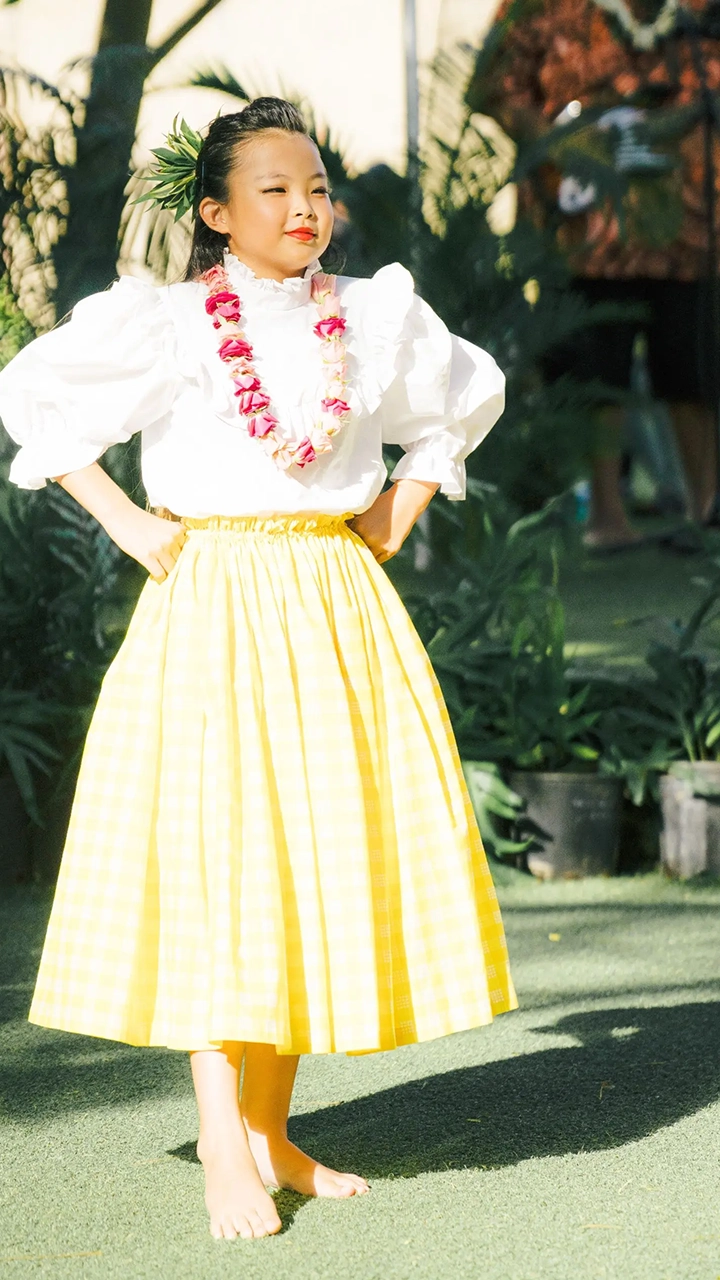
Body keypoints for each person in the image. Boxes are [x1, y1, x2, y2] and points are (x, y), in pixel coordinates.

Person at [0, 99, 516, 1242]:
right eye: (275, 190)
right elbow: (36, 392)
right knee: (222, 861)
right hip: (214, 599)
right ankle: (223, 1142)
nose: (305, 207)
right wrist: (127, 521)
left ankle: (277, 1129)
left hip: (332, 600)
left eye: (318, 186)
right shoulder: (177, 322)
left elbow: (464, 395)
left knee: (310, 858)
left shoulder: (371, 317)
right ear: (219, 212)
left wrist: (399, 505)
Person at [478, 0, 720, 547]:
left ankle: (705, 512)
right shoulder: (542, 7)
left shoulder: (700, 11)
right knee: (593, 369)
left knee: (693, 365)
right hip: (580, 226)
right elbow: (496, 87)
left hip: (686, 224)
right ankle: (606, 516)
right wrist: (561, 141)